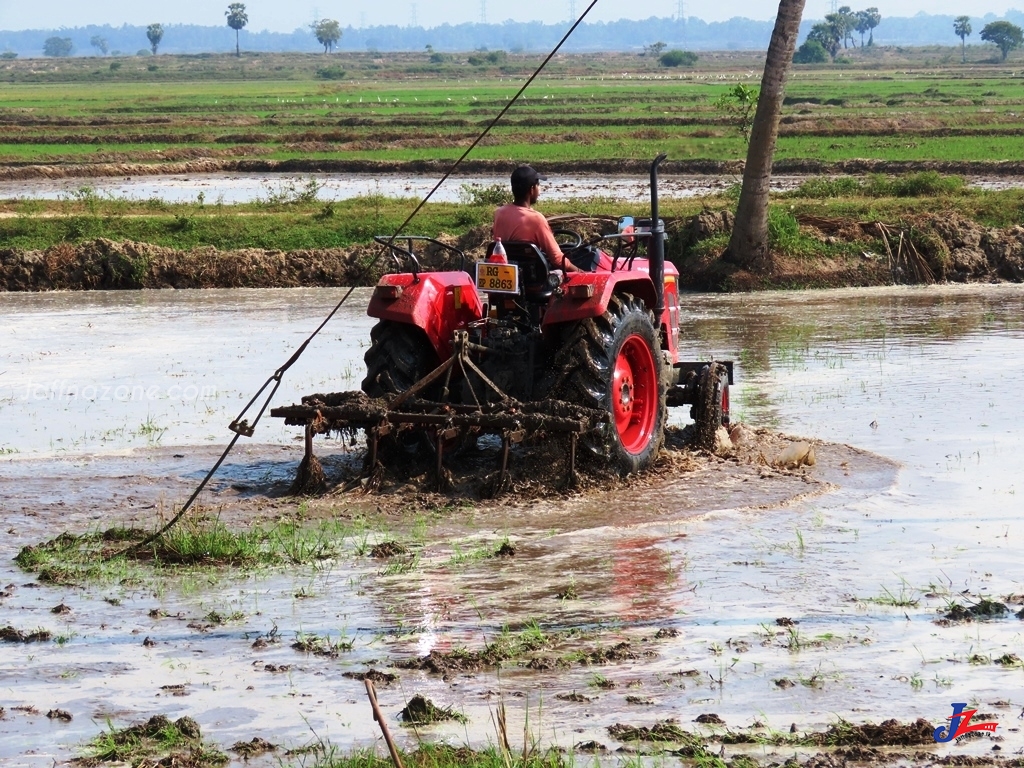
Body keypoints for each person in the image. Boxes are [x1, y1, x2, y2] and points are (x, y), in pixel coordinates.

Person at [492, 165, 582, 272]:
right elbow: (557, 260)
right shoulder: (536, 219)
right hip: (532, 279)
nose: (539, 189)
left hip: (506, 273)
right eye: (538, 185)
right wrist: (580, 272)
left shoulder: (499, 213)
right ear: (532, 189)